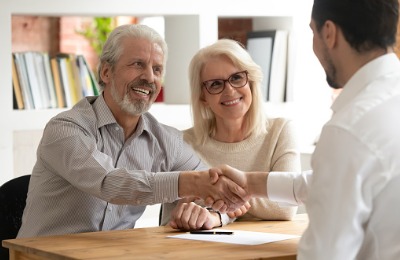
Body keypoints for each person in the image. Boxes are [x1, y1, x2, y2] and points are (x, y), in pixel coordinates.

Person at [17, 24, 249, 238]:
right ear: (106, 73)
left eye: (157, 69)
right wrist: (193, 183)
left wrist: (215, 214)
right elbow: (109, 182)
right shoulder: (65, 129)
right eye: (137, 64)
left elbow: (219, 193)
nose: (149, 77)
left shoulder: (167, 141)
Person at [210, 0, 400, 259]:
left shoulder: (349, 129)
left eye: (313, 32)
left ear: (329, 33)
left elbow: (324, 254)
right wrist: (251, 183)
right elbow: (337, 181)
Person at [160, 39, 301, 230]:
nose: (230, 90)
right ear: (203, 96)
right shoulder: (180, 144)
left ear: (250, 81)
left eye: (236, 78)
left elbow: (286, 206)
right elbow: (169, 220)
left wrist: (219, 211)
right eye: (216, 84)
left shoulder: (281, 131)